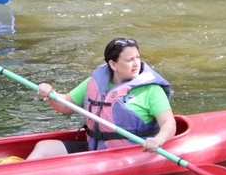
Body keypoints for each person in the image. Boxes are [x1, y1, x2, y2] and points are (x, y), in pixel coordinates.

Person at [27, 37, 176, 159]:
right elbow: (65, 105)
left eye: (137, 57)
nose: (137, 63)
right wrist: (51, 93)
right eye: (130, 60)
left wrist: (158, 140)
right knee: (44, 146)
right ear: (113, 64)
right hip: (95, 148)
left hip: (131, 153)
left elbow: (168, 122)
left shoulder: (151, 90)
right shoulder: (95, 83)